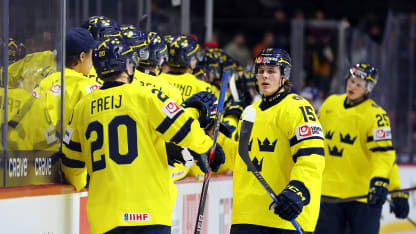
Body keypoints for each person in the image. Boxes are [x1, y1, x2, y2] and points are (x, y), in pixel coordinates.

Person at [61, 38, 225, 234]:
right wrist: (209, 147)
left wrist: (78, 183)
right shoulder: (146, 96)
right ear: (129, 65)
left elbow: (71, 163)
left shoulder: (82, 108)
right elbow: (183, 128)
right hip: (150, 212)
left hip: (106, 218)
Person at [217, 48, 325, 233]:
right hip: (247, 216)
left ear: (284, 76)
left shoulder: (298, 109)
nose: (264, 76)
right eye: (260, 71)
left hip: (285, 218)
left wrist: (298, 191)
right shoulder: (251, 111)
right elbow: (243, 160)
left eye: (271, 71)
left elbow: (312, 158)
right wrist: (215, 138)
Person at [315, 63, 396, 234]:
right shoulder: (330, 104)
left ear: (368, 89)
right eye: (351, 81)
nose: (352, 86)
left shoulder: (377, 115)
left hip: (362, 197)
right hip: (328, 195)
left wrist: (384, 182)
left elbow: (384, 155)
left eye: (359, 84)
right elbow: (314, 142)